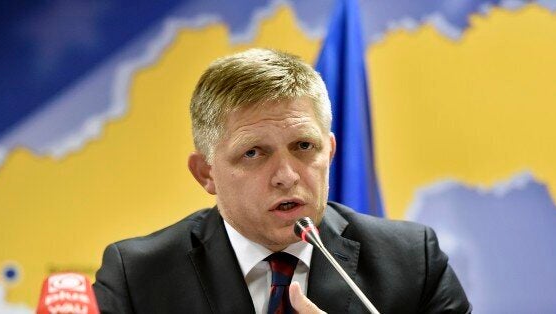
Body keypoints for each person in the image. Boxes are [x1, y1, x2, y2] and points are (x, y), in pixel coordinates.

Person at [93, 48, 471, 313]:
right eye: (253, 153)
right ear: (205, 172)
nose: (287, 176)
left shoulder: (410, 261)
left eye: (304, 146)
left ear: (331, 151)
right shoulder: (139, 276)